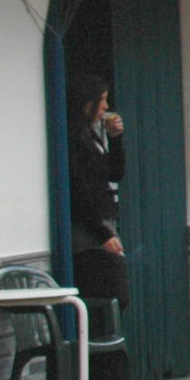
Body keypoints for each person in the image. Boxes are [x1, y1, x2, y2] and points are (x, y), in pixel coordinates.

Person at [69, 84, 127, 310]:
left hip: (104, 222)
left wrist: (115, 139)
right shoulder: (74, 138)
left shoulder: (91, 135)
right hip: (89, 231)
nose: (106, 106)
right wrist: (102, 233)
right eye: (101, 100)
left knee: (116, 297)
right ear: (86, 103)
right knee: (108, 296)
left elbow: (115, 173)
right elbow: (79, 190)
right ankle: (100, 345)